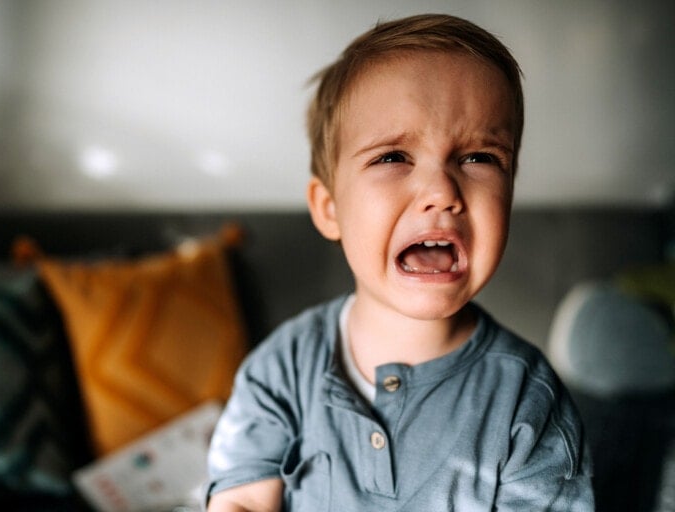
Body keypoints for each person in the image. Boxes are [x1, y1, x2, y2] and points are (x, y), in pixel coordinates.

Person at [206, 13, 594, 511]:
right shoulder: (281, 369)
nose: (442, 191)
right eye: (393, 157)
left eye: (480, 157)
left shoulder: (528, 401)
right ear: (330, 208)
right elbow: (240, 500)